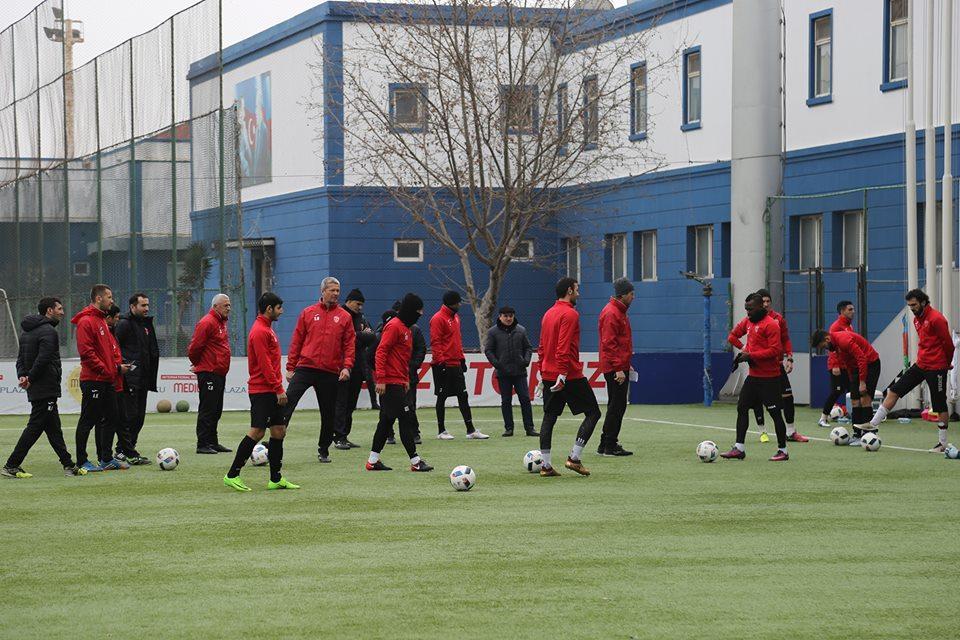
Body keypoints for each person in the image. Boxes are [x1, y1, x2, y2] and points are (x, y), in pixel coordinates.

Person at [858, 289, 955, 451]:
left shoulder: (937, 319)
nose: (912, 308)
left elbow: (948, 344)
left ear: (923, 302)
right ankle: (873, 424)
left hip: (937, 367)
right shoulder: (916, 320)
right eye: (909, 306)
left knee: (939, 405)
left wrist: (947, 363)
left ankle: (943, 443)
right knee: (894, 391)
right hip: (921, 365)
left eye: (914, 305)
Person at [223, 292, 299, 491]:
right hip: (262, 390)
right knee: (257, 432)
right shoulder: (259, 331)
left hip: (270, 389)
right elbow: (265, 364)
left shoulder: (267, 329)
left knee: (279, 431)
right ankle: (232, 475)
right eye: (279, 308)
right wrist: (278, 389)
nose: (282, 311)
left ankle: (275, 479)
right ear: (269, 309)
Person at [1, 297, 84, 479]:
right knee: (35, 426)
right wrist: (30, 377)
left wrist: (23, 375)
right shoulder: (49, 331)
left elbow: (20, 359)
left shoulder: (27, 332)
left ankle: (69, 465)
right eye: (59, 309)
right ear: (49, 310)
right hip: (45, 386)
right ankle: (11, 465)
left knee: (53, 428)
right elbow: (44, 359)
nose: (62, 312)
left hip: (38, 385)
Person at [284, 276, 355, 464]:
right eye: (332, 290)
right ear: (322, 291)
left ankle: (323, 449)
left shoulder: (345, 317)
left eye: (338, 290)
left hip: (330, 371)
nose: (336, 294)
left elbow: (349, 345)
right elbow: (297, 341)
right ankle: (275, 440)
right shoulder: (308, 313)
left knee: (328, 413)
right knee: (287, 403)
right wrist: (291, 367)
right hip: (305, 367)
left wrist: (347, 366)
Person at [535, 277, 601, 477]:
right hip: (568, 374)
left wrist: (542, 373)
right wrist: (562, 374)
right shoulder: (570, 314)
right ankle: (574, 458)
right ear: (570, 291)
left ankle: (546, 466)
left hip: (549, 373)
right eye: (577, 289)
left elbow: (541, 347)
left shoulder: (548, 313)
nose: (578, 293)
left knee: (549, 417)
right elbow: (563, 347)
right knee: (593, 413)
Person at [365, 293, 434, 472]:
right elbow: (381, 351)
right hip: (390, 383)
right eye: (419, 311)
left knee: (386, 421)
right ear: (411, 310)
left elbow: (402, 359)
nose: (421, 314)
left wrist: (405, 379)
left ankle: (372, 461)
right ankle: (415, 462)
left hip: (398, 381)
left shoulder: (407, 329)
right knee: (405, 419)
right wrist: (381, 379)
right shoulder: (394, 326)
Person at [721, 293, 790, 461]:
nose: (748, 312)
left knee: (775, 414)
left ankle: (783, 450)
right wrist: (744, 349)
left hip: (770, 378)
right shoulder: (748, 321)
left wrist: (751, 355)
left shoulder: (771, 324)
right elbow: (732, 336)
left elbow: (775, 350)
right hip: (753, 377)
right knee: (742, 408)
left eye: (750, 309)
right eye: (746, 309)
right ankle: (739, 448)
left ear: (761, 307)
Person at [72, 285, 130, 472]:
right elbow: (86, 353)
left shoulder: (102, 320)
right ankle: (82, 461)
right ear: (98, 298)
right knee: (88, 420)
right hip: (94, 380)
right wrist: (106, 370)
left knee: (112, 417)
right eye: (109, 297)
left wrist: (112, 370)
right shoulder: (86, 321)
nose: (112, 301)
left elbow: (107, 352)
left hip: (107, 379)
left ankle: (106, 459)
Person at [430, 291, 488, 440]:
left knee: (463, 395)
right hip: (443, 364)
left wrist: (461, 359)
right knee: (442, 397)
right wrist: (441, 362)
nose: (460, 304)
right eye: (457, 302)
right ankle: (441, 431)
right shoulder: (437, 318)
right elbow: (436, 342)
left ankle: (470, 430)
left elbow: (457, 340)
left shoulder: (455, 317)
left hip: (455, 363)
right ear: (451, 303)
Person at [811, 328, 881, 446]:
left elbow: (862, 358)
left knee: (865, 399)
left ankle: (868, 434)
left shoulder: (844, 340)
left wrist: (862, 381)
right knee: (854, 400)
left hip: (870, 363)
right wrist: (852, 380)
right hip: (856, 368)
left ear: (827, 339)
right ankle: (857, 434)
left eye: (824, 346)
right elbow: (848, 363)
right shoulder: (836, 347)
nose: (826, 349)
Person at [757, 289, 809, 443]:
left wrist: (790, 358)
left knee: (787, 397)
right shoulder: (753, 319)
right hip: (760, 366)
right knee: (758, 399)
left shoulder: (778, 319)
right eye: (763, 302)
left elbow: (785, 339)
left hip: (777, 365)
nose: (766, 304)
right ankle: (762, 431)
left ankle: (791, 432)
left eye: (768, 301)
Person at [113, 293, 159, 464]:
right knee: (130, 416)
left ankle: (128, 449)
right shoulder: (124, 324)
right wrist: (125, 366)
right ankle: (122, 451)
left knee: (139, 417)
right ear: (133, 307)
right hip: (130, 378)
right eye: (143, 305)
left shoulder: (145, 324)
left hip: (143, 379)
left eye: (147, 305)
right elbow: (115, 347)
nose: (146, 308)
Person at [188, 294, 232, 454]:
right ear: (215, 307)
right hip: (209, 372)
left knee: (216, 409)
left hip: (219, 372)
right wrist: (199, 364)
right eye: (225, 305)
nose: (229, 308)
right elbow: (194, 348)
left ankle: (213, 442)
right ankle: (202, 443)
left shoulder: (221, 322)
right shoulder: (207, 322)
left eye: (229, 305)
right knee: (208, 408)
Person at [484, 306, 537, 438]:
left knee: (525, 399)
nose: (508, 318)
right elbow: (488, 350)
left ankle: (530, 428)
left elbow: (528, 348)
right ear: (500, 316)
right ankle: (509, 428)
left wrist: (526, 361)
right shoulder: (493, 332)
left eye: (511, 316)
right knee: (506, 400)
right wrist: (497, 364)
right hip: (503, 373)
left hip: (520, 372)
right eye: (505, 316)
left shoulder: (521, 330)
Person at [333, 288, 376, 450]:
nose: (360, 307)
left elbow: (372, 336)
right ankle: (338, 436)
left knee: (351, 403)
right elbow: (341, 339)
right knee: (341, 402)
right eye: (358, 304)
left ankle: (344, 435)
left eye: (361, 304)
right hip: (342, 366)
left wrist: (356, 335)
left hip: (358, 365)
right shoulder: (339, 315)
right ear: (349, 301)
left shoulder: (361, 318)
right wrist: (359, 335)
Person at [597, 278, 635, 456]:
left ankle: (605, 443)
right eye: (631, 294)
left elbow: (618, 343)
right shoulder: (613, 313)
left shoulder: (616, 311)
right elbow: (609, 344)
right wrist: (619, 368)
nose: (633, 297)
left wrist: (625, 364)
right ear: (623, 294)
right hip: (614, 367)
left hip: (616, 364)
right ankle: (610, 445)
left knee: (615, 405)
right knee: (617, 407)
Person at [818, 300, 856, 428]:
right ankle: (823, 418)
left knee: (852, 391)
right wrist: (835, 365)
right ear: (842, 311)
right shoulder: (836, 326)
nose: (853, 312)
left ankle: (854, 416)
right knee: (836, 392)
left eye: (853, 309)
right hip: (838, 366)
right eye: (850, 309)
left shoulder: (849, 326)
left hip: (847, 366)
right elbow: (832, 347)